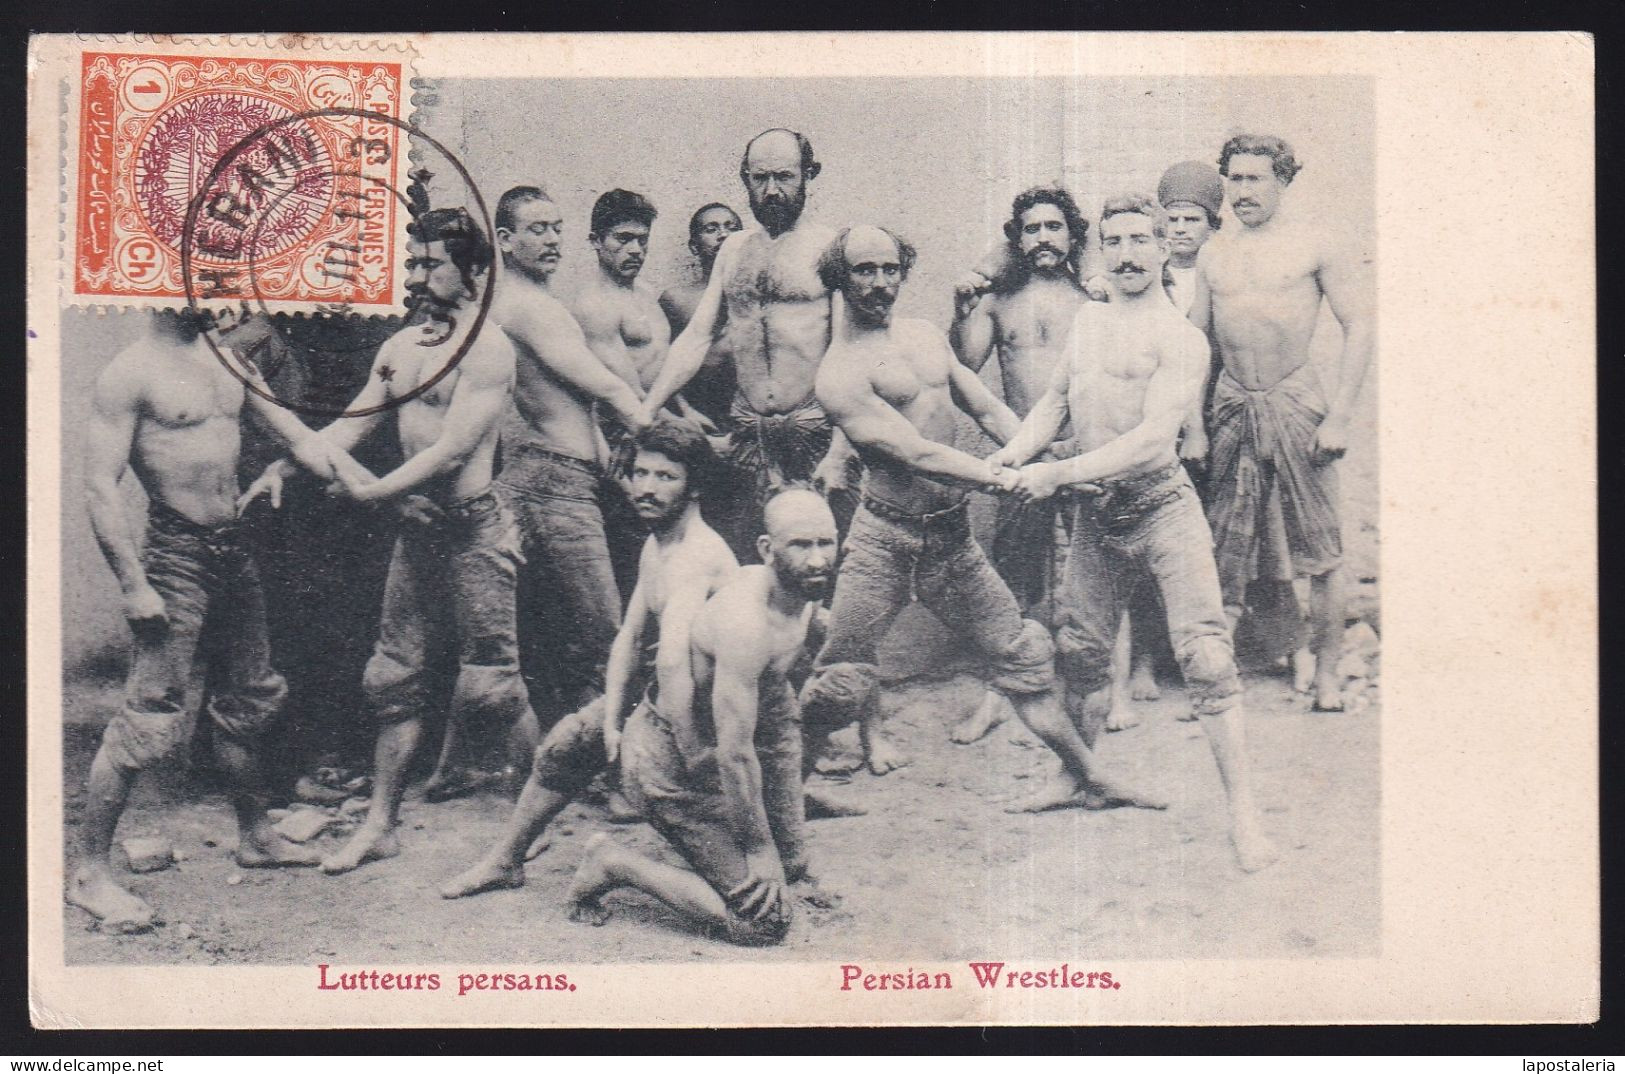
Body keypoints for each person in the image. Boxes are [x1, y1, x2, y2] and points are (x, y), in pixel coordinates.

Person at [803, 225, 1163, 815]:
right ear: (840, 278)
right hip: (885, 541)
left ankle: (1089, 776)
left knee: (1021, 657)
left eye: (890, 268)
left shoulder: (922, 337)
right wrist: (1006, 477)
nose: (880, 283)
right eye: (864, 270)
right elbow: (916, 453)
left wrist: (1046, 460)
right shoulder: (838, 373)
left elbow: (989, 407)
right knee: (841, 678)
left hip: (951, 540)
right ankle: (785, 790)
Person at [244, 206, 540, 873]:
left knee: (494, 685)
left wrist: (374, 493)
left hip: (473, 529)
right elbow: (350, 426)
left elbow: (451, 451)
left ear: (470, 272)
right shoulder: (399, 349)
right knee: (393, 679)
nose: (415, 274)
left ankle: (521, 836)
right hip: (418, 535)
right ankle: (381, 825)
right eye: (410, 262)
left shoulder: (488, 349)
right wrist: (284, 463)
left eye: (430, 263)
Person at [990, 195, 1277, 870]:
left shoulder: (1180, 338)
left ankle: (1245, 818)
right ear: (1101, 252)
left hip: (1159, 508)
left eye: (1139, 241)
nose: (1125, 255)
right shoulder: (1088, 321)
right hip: (1097, 513)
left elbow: (1153, 444)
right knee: (1080, 652)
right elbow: (1056, 402)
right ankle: (1077, 777)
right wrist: (1012, 455)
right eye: (1113, 242)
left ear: (1160, 249)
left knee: (1206, 657)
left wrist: (1054, 477)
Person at [70, 308, 370, 931]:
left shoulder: (229, 356)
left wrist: (379, 485)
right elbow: (101, 484)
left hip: (234, 547)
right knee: (150, 713)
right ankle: (89, 873)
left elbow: (299, 436)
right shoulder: (130, 372)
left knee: (249, 698)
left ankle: (256, 836)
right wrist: (134, 585)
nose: (213, 283)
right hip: (174, 558)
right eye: (196, 270)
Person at [439, 419, 739, 899]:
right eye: (641, 473)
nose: (646, 487)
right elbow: (629, 637)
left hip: (713, 715)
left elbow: (672, 664)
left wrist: (678, 747)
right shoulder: (658, 543)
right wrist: (612, 718)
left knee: (683, 814)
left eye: (666, 478)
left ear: (695, 486)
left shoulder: (695, 555)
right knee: (570, 742)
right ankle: (505, 862)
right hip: (674, 699)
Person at [565, 488, 837, 945]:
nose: (816, 560)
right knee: (761, 924)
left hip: (719, 750)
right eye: (800, 545)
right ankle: (611, 862)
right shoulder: (744, 620)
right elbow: (733, 754)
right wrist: (758, 848)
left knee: (791, 874)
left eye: (825, 543)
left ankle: (741, 853)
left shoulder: (801, 593)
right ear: (767, 550)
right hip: (668, 761)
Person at [1188, 135, 1374, 711]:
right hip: (1230, 404)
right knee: (1222, 546)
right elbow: (1196, 342)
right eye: (1234, 180)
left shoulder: (1315, 244)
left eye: (1255, 179)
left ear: (1283, 181)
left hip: (1296, 400)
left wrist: (1340, 415)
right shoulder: (1214, 252)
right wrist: (1193, 423)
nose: (1242, 191)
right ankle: (1217, 680)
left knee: (1321, 553)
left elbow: (1361, 326)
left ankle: (1325, 678)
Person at [636, 128, 858, 561]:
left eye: (784, 177)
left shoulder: (832, 248)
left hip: (814, 432)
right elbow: (697, 336)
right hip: (748, 437)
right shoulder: (733, 249)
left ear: (807, 175)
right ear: (745, 179)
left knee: (823, 564)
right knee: (748, 564)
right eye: (759, 179)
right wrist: (648, 408)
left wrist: (840, 452)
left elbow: (850, 353)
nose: (771, 190)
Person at [487, 185, 647, 727]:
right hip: (554, 485)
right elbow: (605, 387)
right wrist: (660, 435)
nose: (552, 239)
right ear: (505, 241)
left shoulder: (520, 302)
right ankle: (619, 772)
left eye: (556, 227)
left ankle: (465, 761)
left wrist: (609, 464)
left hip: (547, 474)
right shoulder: (530, 307)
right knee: (606, 633)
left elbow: (569, 404)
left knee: (536, 631)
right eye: (538, 229)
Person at [1103, 160, 1230, 730]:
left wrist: (1198, 431)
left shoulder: (1219, 274)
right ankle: (1145, 659)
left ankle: (1200, 666)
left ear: (1210, 225)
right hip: (1140, 432)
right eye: (1171, 219)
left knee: (1192, 548)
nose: (1180, 230)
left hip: (1202, 425)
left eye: (1191, 220)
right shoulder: (1130, 275)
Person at [658, 202, 744, 429]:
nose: (723, 234)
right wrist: (684, 412)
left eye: (731, 227)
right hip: (700, 417)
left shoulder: (758, 298)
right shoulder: (676, 300)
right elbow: (655, 363)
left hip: (749, 419)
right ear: (694, 247)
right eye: (711, 229)